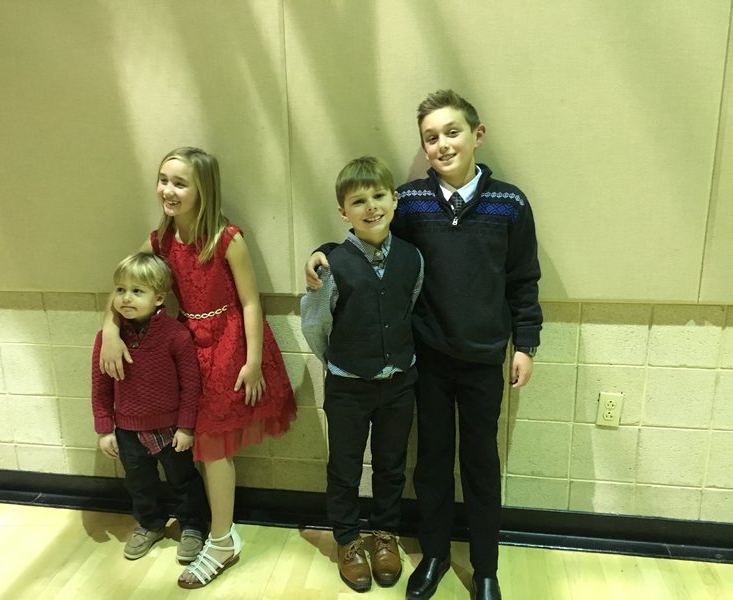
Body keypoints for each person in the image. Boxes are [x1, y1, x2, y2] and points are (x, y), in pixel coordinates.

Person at [306, 90, 542, 600]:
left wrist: (525, 343)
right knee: (431, 461)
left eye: (452, 132)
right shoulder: (409, 200)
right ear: (423, 146)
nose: (442, 144)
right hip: (427, 360)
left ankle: (485, 568)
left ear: (477, 135)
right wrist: (323, 251)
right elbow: (372, 240)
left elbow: (523, 281)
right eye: (431, 137)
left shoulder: (510, 204)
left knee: (480, 462)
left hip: (483, 358)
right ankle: (433, 555)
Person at [99, 147, 297, 589]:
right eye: (163, 179)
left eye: (180, 183)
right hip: (186, 347)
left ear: (203, 189)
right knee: (200, 445)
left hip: (228, 345)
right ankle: (211, 530)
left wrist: (252, 361)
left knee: (212, 444)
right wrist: (110, 329)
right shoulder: (159, 241)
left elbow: (250, 302)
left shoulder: (227, 239)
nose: (168, 190)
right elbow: (124, 284)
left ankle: (222, 539)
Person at [301, 156, 424, 593]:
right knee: (345, 467)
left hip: (399, 383)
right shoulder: (332, 265)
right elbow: (315, 325)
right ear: (343, 212)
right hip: (348, 387)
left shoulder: (412, 258)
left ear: (394, 200)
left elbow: (408, 305)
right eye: (358, 201)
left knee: (391, 465)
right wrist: (340, 362)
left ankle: (385, 533)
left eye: (378, 196)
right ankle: (348, 539)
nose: (371, 207)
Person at [91, 252, 209, 564]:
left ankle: (193, 525)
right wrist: (104, 429)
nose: (126, 298)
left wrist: (186, 427)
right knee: (138, 483)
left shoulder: (176, 335)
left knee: (183, 479)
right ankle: (149, 524)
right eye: (120, 290)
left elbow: (191, 385)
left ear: (159, 298)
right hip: (127, 430)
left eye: (137, 291)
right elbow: (100, 385)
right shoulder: (107, 339)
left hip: (171, 430)